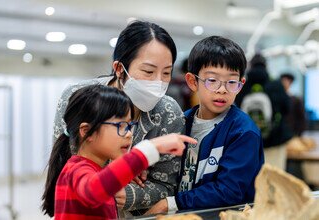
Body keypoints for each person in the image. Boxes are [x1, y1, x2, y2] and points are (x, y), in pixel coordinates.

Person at [52, 20, 185, 214]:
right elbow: (70, 173)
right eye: (148, 71)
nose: (158, 82)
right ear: (119, 68)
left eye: (166, 73)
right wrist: (136, 161)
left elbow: (165, 186)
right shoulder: (81, 98)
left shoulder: (168, 112)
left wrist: (129, 192)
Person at [146, 36, 264, 214]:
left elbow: (230, 191)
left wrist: (172, 203)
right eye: (212, 80)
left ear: (241, 85)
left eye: (232, 82)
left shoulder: (243, 132)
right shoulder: (179, 122)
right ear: (193, 81)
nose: (222, 89)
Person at [42, 85, 197, 219]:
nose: (129, 133)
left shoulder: (92, 169)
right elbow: (94, 190)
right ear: (86, 131)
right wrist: (149, 149)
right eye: (120, 126)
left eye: (130, 125)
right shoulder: (77, 170)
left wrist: (130, 169)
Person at [236, 53, 292, 170]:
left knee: (253, 178)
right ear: (266, 66)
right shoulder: (276, 84)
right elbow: (287, 108)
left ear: (250, 66)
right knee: (275, 178)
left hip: (250, 140)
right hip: (275, 140)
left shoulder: (242, 85)